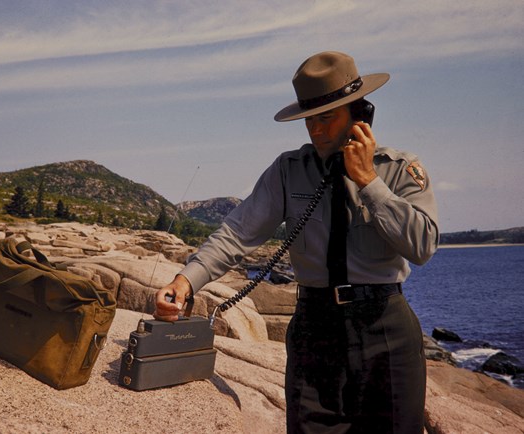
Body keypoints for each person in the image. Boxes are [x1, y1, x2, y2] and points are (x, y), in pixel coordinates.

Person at [154, 51, 438, 433]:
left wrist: (370, 182)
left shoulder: (399, 169)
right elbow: (238, 233)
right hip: (315, 330)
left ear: (359, 114)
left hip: (384, 328)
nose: (316, 131)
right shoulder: (288, 172)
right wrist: (186, 280)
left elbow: (423, 247)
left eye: (327, 118)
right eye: (309, 121)